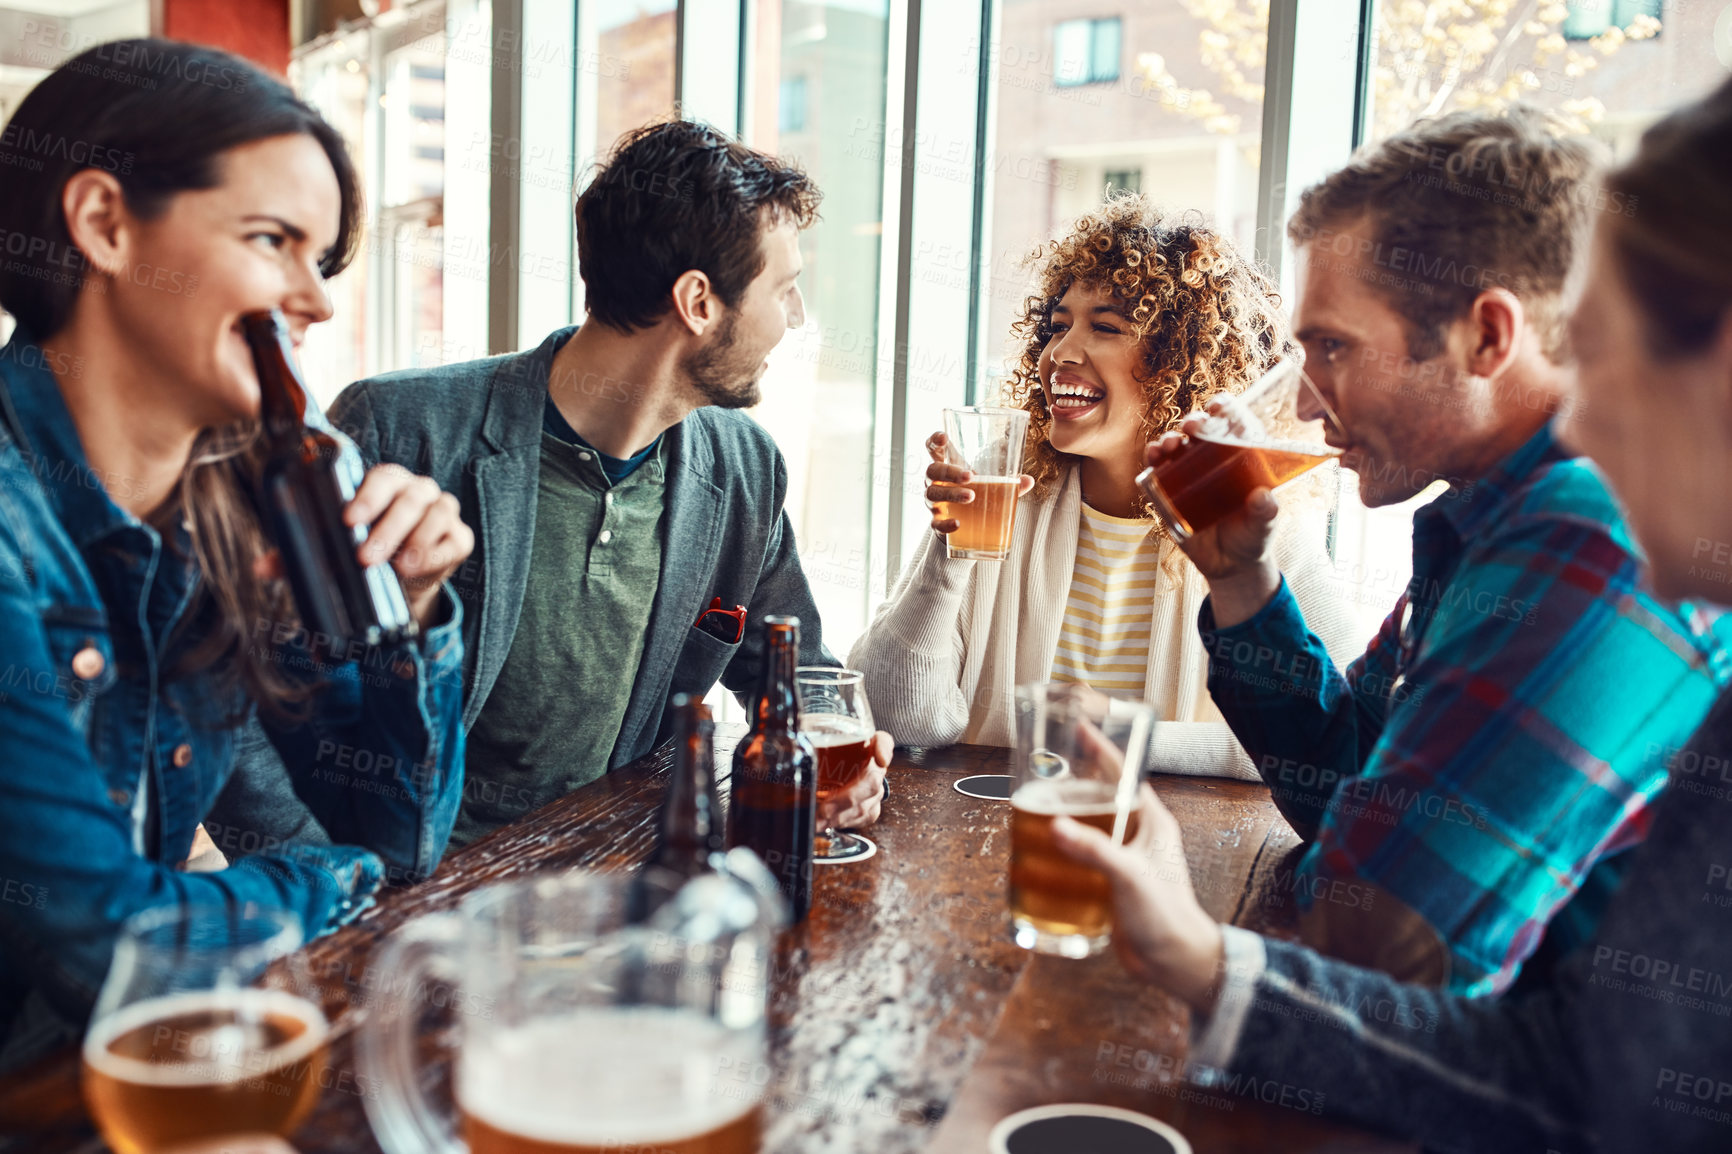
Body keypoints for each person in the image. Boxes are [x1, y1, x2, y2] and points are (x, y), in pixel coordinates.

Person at [1053, 79, 1732, 1153]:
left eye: (1329, 347)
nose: (1303, 396)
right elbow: (1343, 786)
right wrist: (1242, 576)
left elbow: (1369, 941)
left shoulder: (1581, 530)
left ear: (1485, 336)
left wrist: (1197, 943)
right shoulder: (1479, 518)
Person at [215, 120, 888, 851]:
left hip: (618, 892)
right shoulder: (399, 429)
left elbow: (797, 679)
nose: (794, 318)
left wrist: (849, 770)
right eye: (784, 290)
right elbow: (248, 699)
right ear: (698, 302)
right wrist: (327, 893)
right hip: (422, 896)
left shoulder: (744, 467)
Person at [0, 41, 471, 1072]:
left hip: (139, 1066)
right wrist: (332, 882)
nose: (318, 301)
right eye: (274, 240)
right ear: (105, 224)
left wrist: (413, 612)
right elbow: (110, 940)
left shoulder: (256, 490)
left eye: (324, 256)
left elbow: (396, 841)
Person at [851, 200, 1356, 776]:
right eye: (1058, 325)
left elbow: (1332, 738)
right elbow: (894, 715)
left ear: (1182, 362)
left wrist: (1114, 732)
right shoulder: (1002, 482)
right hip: (989, 830)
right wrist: (951, 555)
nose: (1059, 354)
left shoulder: (1251, 516)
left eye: (1107, 328)